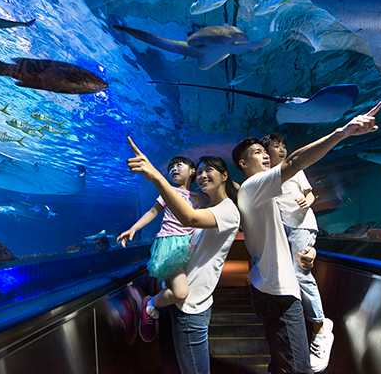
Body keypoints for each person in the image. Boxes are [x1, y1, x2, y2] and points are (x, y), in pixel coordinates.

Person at [232, 101, 381, 374]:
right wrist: (342, 132)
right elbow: (295, 161)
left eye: (265, 151)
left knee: (282, 362)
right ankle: (322, 328)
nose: (266, 155)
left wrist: (309, 249)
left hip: (267, 286)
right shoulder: (255, 185)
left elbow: (284, 231)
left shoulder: (259, 192)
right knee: (297, 367)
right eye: (257, 153)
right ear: (243, 164)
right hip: (278, 293)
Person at [126, 137, 240, 374]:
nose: (202, 175)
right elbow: (157, 211)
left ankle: (150, 304)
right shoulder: (208, 204)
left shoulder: (224, 210)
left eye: (209, 170)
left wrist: (156, 176)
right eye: (200, 172)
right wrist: (135, 227)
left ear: (224, 175)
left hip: (192, 306)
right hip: (178, 292)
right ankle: (154, 304)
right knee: (174, 363)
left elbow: (189, 218)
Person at [260, 133, 333, 372]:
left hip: (302, 223)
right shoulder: (267, 175)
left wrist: (308, 201)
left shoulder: (293, 168)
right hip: (283, 227)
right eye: (275, 147)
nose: (281, 150)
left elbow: (310, 192)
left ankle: (321, 329)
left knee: (300, 274)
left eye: (283, 146)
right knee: (288, 276)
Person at [117, 156, 208, 343]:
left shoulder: (199, 197)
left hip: (190, 244)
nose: (174, 169)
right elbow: (153, 212)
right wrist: (134, 228)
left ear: (193, 171)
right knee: (181, 292)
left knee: (185, 289)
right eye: (171, 166)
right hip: (169, 246)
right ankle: (150, 304)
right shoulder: (168, 192)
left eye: (179, 165)